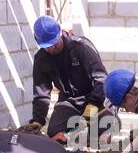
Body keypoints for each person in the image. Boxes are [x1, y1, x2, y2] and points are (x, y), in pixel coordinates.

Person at [28, 15, 117, 145]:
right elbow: (41, 93)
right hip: (70, 100)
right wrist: (38, 120)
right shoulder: (41, 59)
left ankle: (108, 119)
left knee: (99, 134)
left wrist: (93, 104)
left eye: (53, 43)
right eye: (47, 46)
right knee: (54, 132)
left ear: (60, 33)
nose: (51, 49)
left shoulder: (81, 47)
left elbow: (101, 78)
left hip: (95, 96)